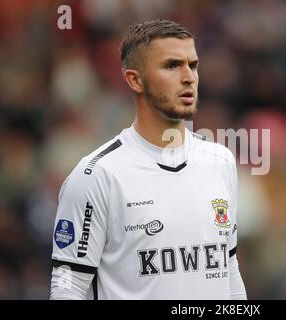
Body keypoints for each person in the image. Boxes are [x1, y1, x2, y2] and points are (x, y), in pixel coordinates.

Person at [50, 19, 247, 300]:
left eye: (193, 65)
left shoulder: (220, 162)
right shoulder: (97, 175)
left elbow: (228, 269)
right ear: (135, 79)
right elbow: (68, 285)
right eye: (171, 66)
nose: (188, 77)